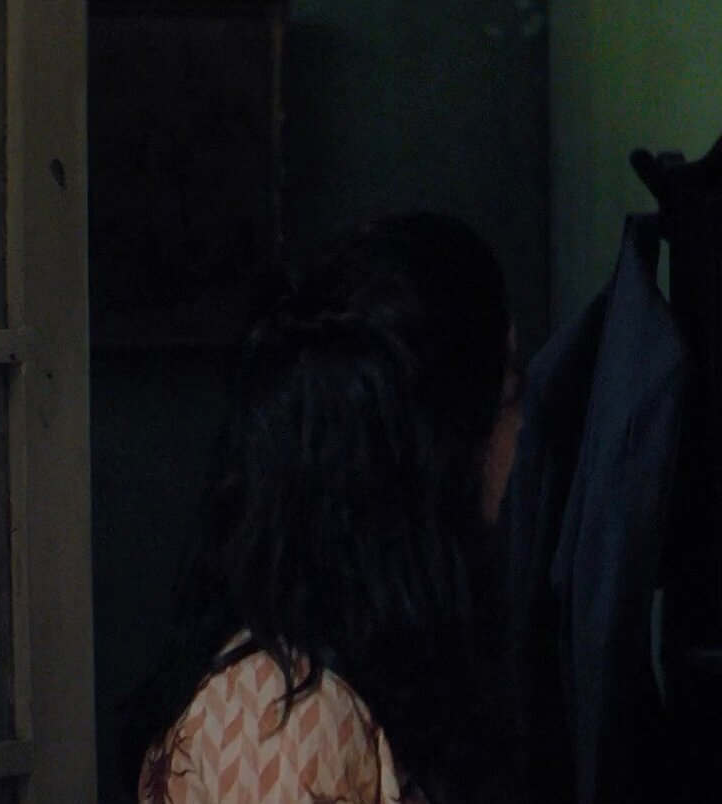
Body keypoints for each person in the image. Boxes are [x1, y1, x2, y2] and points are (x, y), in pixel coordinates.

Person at [123, 213, 526, 804]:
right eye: (509, 397)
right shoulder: (288, 720)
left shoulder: (368, 671)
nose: (521, 430)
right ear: (434, 454)